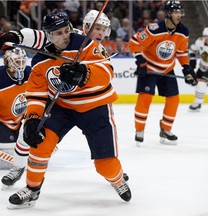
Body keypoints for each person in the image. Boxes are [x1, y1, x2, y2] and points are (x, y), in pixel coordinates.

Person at [7, 11, 131, 209]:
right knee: (40, 143)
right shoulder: (39, 61)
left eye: (66, 31)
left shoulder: (85, 44)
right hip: (62, 107)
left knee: (105, 164)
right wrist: (32, 118)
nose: (65, 36)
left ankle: (117, 180)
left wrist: (84, 74)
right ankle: (32, 189)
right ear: (48, 35)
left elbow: (107, 73)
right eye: (58, 33)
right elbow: (37, 95)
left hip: (94, 106)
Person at [129, 1, 197, 146]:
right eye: (176, 12)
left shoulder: (183, 31)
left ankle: (166, 129)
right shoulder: (154, 29)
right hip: (149, 69)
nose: (179, 15)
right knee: (145, 98)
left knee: (174, 99)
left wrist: (186, 69)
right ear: (168, 13)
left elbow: (181, 52)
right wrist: (140, 61)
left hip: (167, 69)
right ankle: (139, 130)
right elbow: (134, 42)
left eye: (180, 12)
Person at [188, 27, 208, 111]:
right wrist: (192, 63)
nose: (206, 38)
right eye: (205, 36)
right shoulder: (199, 42)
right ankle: (197, 103)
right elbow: (192, 50)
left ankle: (197, 103)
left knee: (201, 85)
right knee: (198, 84)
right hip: (202, 69)